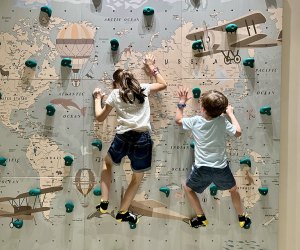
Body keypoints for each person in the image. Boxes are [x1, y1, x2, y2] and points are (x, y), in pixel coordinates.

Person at [93, 54, 167, 224]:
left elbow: (99, 117)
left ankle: (104, 202)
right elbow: (163, 84)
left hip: (123, 137)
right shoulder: (143, 89)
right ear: (132, 80)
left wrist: (98, 99)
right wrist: (151, 67)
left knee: (107, 163)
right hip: (142, 139)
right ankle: (122, 213)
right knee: (136, 179)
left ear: (116, 83)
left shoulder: (114, 94)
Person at [175, 88, 251, 229]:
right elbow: (238, 132)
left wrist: (182, 102)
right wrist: (231, 114)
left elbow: (178, 120)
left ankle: (201, 218)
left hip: (201, 169)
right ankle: (242, 218)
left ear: (203, 109)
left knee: (188, 189)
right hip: (221, 169)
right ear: (221, 112)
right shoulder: (222, 121)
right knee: (233, 190)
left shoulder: (196, 121)